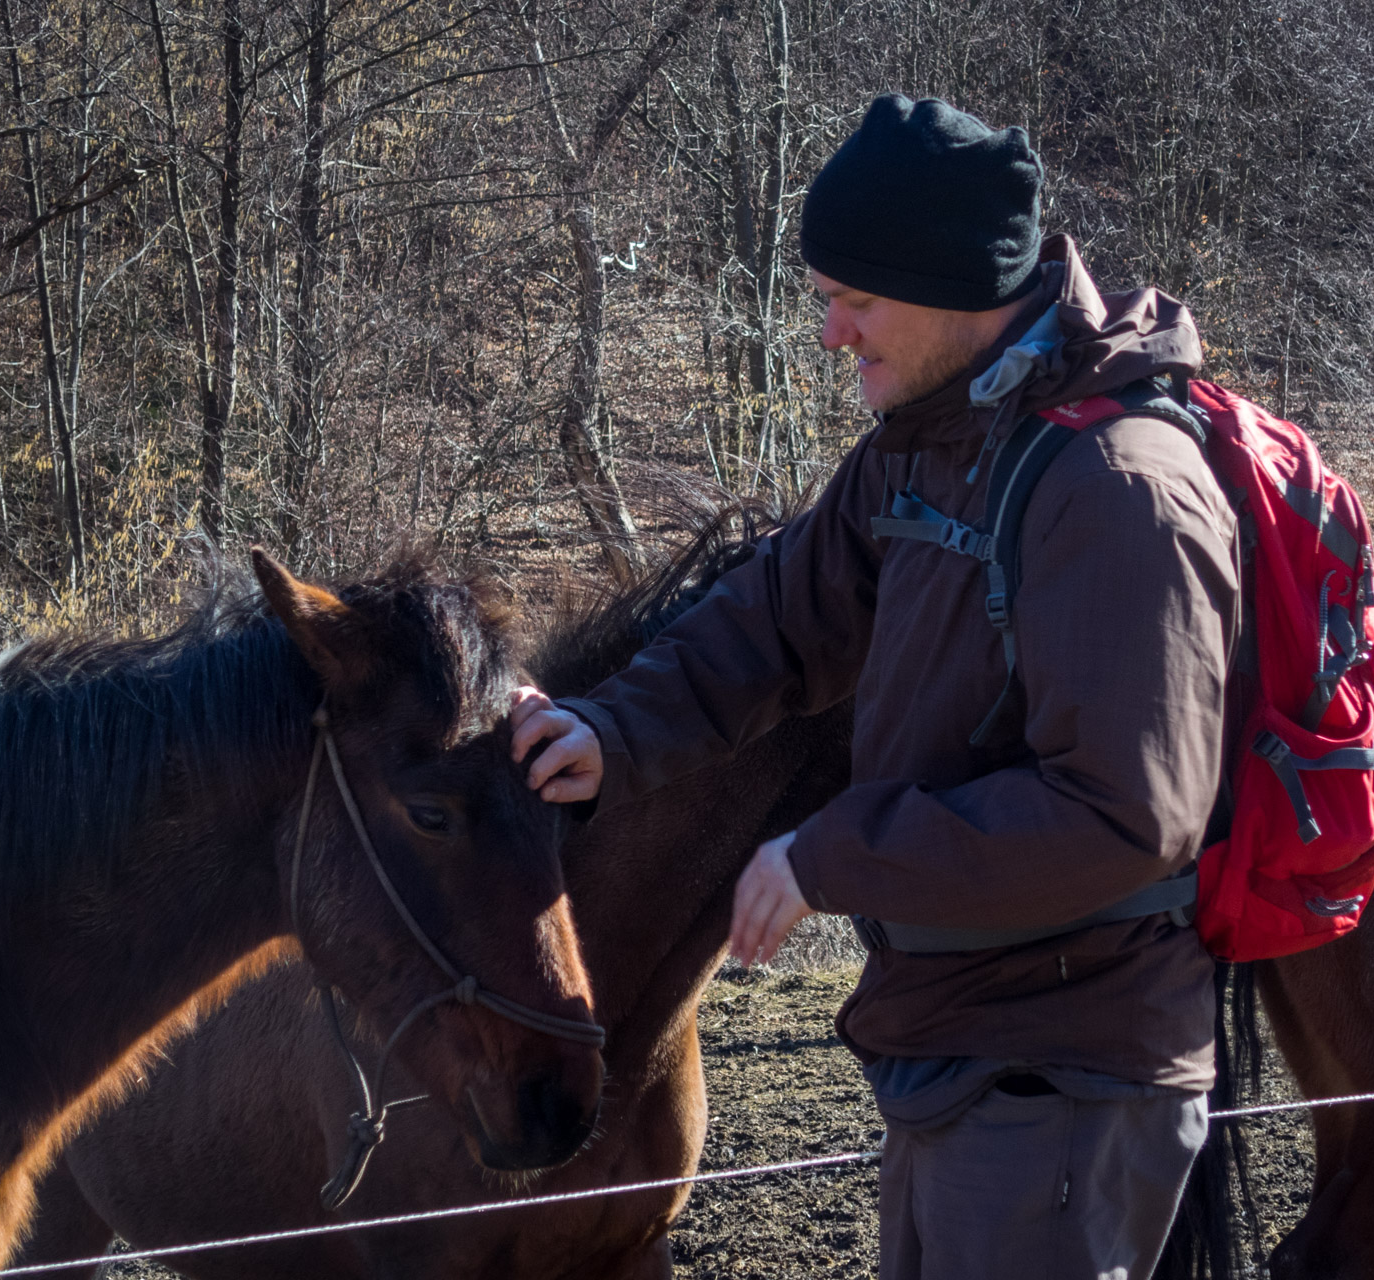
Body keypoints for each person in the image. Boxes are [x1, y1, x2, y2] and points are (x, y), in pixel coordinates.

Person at [510, 93, 1239, 1280]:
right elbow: (776, 618)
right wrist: (610, 728)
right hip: (961, 1053)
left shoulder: (1117, 492)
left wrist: (827, 853)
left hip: (1062, 1072)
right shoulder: (930, 439)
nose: (833, 332)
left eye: (857, 298)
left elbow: (1123, 815)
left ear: (958, 288)